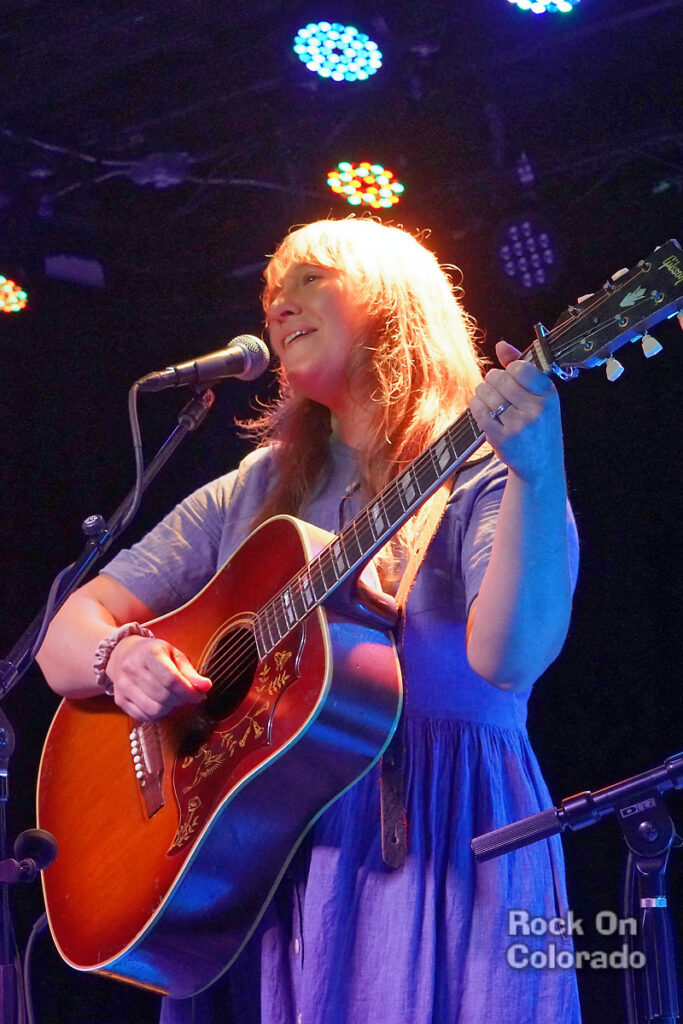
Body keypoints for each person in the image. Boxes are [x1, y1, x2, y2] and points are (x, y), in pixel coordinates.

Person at [37, 217, 581, 1023]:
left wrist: (535, 475)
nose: (277, 306)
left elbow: (510, 659)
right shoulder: (252, 488)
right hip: (255, 862)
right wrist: (118, 659)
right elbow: (64, 636)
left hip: (441, 838)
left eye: (308, 279)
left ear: (392, 301)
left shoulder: (482, 464)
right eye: (269, 295)